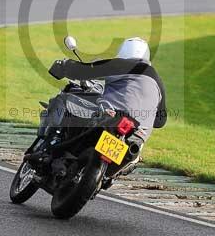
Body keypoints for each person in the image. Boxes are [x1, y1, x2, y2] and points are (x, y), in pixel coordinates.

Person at [48, 37, 166, 165]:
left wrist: (64, 66)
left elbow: (87, 70)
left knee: (73, 113)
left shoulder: (125, 65)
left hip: (112, 118)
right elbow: (160, 121)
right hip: (137, 137)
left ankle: (53, 150)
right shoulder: (159, 83)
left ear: (123, 52)